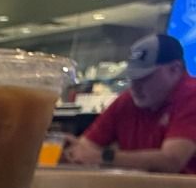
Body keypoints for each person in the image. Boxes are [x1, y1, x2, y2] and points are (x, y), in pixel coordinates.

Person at [64, 33, 196, 173]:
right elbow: (85, 149)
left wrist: (103, 156)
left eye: (145, 77)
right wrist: (71, 150)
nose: (135, 87)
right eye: (132, 78)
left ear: (175, 69)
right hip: (138, 186)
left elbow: (171, 160)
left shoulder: (191, 95)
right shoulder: (128, 100)